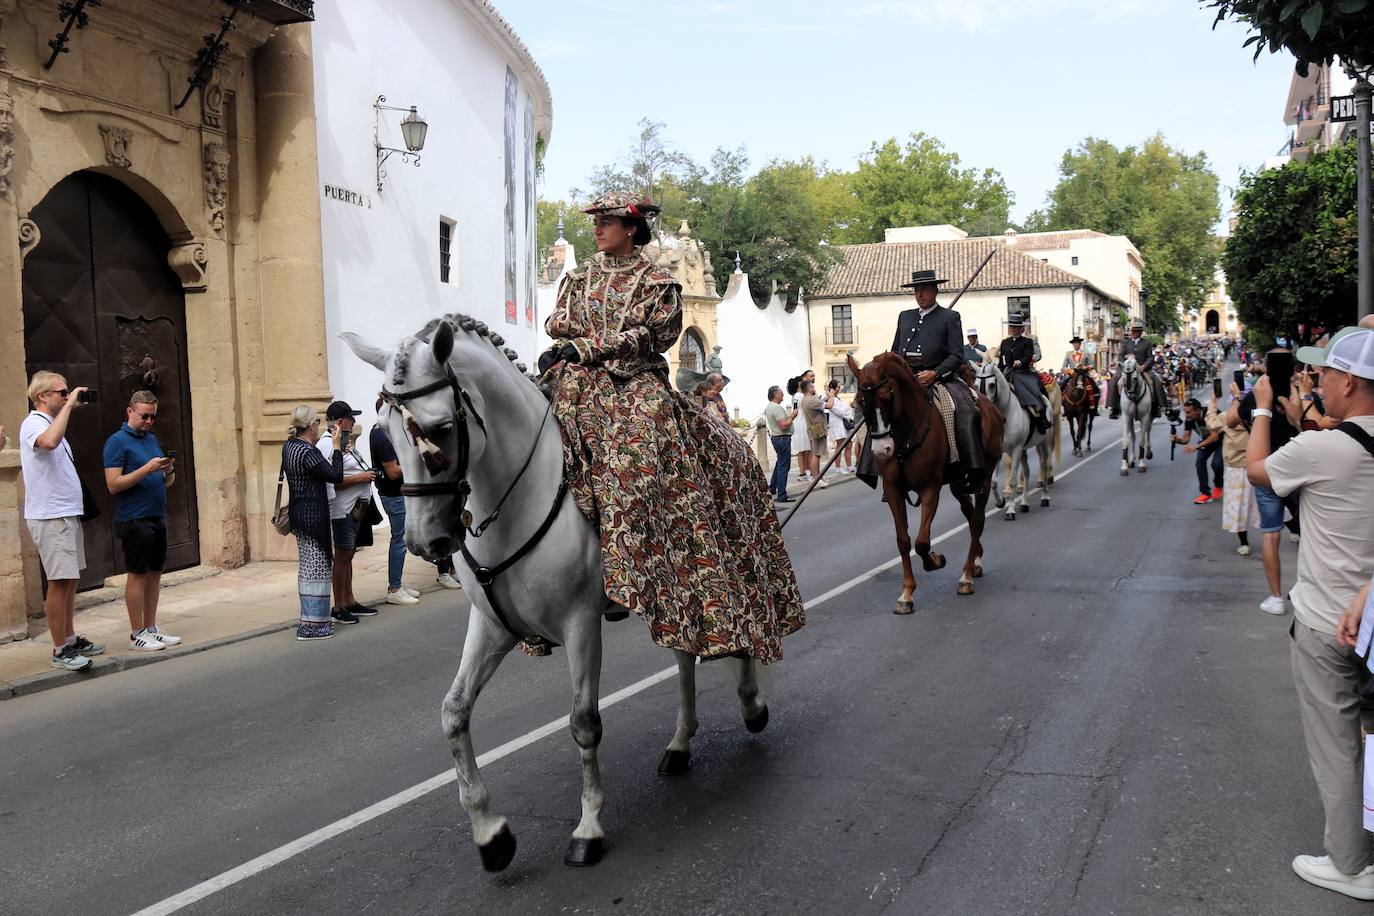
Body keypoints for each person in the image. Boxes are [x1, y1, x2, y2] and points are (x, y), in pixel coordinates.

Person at [535, 191, 803, 662]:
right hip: (576, 380)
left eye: (608, 221)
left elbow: (654, 334)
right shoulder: (579, 276)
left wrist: (593, 346)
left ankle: (629, 571)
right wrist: (567, 344)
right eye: (596, 220)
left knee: (634, 454)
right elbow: (557, 320)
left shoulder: (656, 281)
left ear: (631, 228)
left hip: (634, 381)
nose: (598, 228)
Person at [1249, 328, 1374, 901]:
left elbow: (1257, 469)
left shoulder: (1323, 448)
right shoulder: (1331, 440)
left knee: (1338, 746)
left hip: (1330, 620)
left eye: (1325, 372)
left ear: (1349, 381)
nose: (1318, 378)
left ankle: (1351, 865)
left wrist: (1260, 410)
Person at [857, 268, 983, 494]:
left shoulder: (949, 317)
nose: (920, 294)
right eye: (917, 290)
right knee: (879, 407)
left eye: (924, 290)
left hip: (938, 379)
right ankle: (874, 467)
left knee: (963, 408)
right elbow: (895, 351)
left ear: (935, 290)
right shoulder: (905, 316)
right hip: (906, 380)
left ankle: (970, 468)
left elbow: (956, 355)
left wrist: (935, 373)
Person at [20, 371, 105, 670]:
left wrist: (65, 409)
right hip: (51, 515)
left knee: (70, 580)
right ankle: (60, 650)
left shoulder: (50, 422)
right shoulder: (33, 423)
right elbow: (49, 443)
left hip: (66, 513)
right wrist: (69, 409)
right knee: (58, 582)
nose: (68, 397)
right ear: (42, 397)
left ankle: (69, 638)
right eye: (62, 392)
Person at [102, 390, 181, 651]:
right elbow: (113, 484)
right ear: (130, 412)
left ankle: (151, 627)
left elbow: (167, 482)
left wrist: (168, 470)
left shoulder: (151, 439)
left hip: (156, 515)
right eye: (144, 416)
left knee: (155, 574)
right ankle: (136, 632)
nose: (148, 421)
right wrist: (146, 468)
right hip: (133, 518)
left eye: (152, 417)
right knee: (137, 575)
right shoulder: (117, 442)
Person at [1233, 346, 1301, 615]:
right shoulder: (1302, 396)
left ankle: (1275, 597)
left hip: (1268, 470)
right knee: (1312, 531)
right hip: (1298, 468)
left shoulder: (1256, 396)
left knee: (1270, 535)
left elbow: (1233, 418)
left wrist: (1242, 399)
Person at [370, 421, 461, 596]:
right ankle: (394, 588)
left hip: (403, 492)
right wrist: (419, 461)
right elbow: (393, 471)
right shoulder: (381, 435)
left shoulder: (393, 431)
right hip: (394, 495)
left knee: (435, 526)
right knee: (400, 540)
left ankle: (443, 572)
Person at [283, 404, 344, 640]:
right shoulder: (309, 452)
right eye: (317, 423)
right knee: (318, 569)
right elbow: (335, 475)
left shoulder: (289, 447)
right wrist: (337, 448)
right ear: (311, 425)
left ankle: (308, 621)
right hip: (313, 517)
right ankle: (314, 625)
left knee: (307, 569)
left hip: (299, 515)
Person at [319, 400, 377, 625]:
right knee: (342, 557)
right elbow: (331, 481)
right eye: (351, 419)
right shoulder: (327, 445)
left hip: (354, 510)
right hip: (342, 510)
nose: (354, 423)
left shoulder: (343, 443)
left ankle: (349, 600)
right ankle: (338, 606)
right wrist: (361, 478)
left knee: (349, 555)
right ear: (341, 421)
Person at [1217, 383, 1261, 555]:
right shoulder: (1259, 414)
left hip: (1242, 465)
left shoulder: (1228, 416)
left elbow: (1216, 423)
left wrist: (1214, 402)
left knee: (1240, 506)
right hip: (1248, 464)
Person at [997, 312, 1051, 434]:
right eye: (1011, 326)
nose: (1013, 329)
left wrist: (1020, 362)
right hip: (1008, 372)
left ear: (1021, 328)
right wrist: (998, 371)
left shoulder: (1027, 342)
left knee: (1035, 389)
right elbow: (1002, 361)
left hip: (1023, 372)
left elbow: (1028, 356)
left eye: (1016, 327)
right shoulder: (1005, 343)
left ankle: (1041, 414)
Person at [1108, 319, 1167, 419]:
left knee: (1156, 382)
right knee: (1113, 381)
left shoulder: (1147, 343)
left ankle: (1158, 406)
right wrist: (1124, 362)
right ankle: (1114, 408)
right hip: (1127, 369)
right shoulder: (1126, 343)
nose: (1134, 332)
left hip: (1142, 368)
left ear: (1140, 332)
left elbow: (1150, 357)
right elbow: (1120, 356)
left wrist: (1144, 366)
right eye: (1133, 330)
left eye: (1137, 331)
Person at [1171, 397, 1223, 504]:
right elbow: (1185, 439)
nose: (1186, 415)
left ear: (1198, 411)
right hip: (1205, 440)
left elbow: (1215, 436)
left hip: (1221, 440)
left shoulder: (1209, 415)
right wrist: (1177, 440)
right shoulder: (1189, 420)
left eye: (1189, 412)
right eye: (1185, 412)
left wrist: (1196, 447)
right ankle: (1205, 493)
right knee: (1200, 462)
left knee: (1216, 464)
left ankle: (1218, 485)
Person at [764, 385, 796, 502]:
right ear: (775, 394)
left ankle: (772, 488)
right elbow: (783, 425)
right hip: (782, 438)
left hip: (778, 438)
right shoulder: (776, 408)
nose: (782, 394)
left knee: (780, 464)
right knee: (784, 467)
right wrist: (792, 416)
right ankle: (782, 494)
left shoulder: (770, 407)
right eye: (780, 392)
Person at [799, 379, 829, 488]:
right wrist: (832, 395)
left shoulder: (806, 399)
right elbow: (829, 405)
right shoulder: (810, 400)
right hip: (817, 429)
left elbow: (820, 401)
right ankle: (816, 478)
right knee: (816, 454)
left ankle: (817, 476)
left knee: (816, 454)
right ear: (809, 388)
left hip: (814, 429)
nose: (814, 388)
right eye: (812, 386)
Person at [789, 370, 815, 484]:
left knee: (803, 449)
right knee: (806, 449)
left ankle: (804, 472)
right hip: (802, 423)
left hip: (799, 422)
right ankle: (805, 471)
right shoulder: (799, 395)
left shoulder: (797, 395)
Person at [825, 378, 856, 473]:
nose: (840, 388)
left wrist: (847, 408)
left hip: (843, 424)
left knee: (849, 445)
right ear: (833, 388)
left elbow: (842, 409)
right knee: (839, 446)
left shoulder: (837, 398)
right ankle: (838, 467)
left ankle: (849, 466)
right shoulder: (831, 398)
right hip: (837, 425)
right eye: (838, 387)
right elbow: (838, 410)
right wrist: (848, 408)